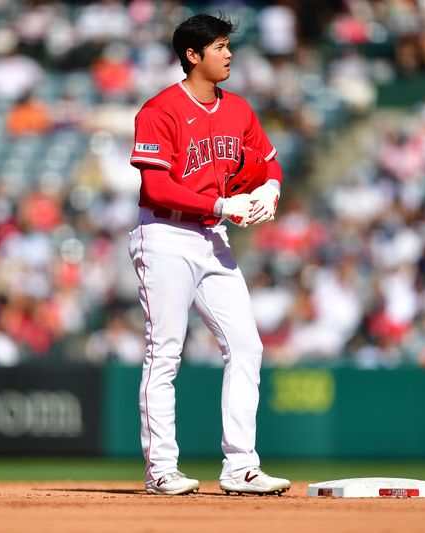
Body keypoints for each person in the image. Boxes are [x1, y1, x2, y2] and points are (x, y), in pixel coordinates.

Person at [128, 13, 289, 496]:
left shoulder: (238, 109)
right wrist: (221, 203)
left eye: (228, 45)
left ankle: (241, 467)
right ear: (192, 55)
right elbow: (156, 185)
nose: (229, 53)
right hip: (165, 237)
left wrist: (272, 191)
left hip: (213, 237)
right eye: (219, 46)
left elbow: (267, 162)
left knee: (247, 347)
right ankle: (161, 469)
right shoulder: (159, 110)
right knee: (165, 354)